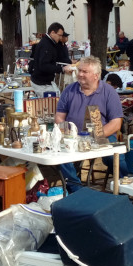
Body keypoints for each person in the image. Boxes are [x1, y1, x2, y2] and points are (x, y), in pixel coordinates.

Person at [55, 56, 124, 193]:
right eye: (79, 70)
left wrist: (95, 136)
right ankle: (77, 191)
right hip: (73, 136)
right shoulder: (70, 90)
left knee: (116, 157)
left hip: (102, 135)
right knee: (60, 155)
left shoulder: (109, 92)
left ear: (96, 75)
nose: (80, 74)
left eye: (85, 72)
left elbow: (116, 123)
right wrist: (68, 133)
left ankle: (126, 188)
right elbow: (59, 117)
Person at [30, 22, 73, 96]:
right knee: (53, 103)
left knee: (57, 98)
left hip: (46, 82)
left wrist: (69, 62)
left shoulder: (50, 43)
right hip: (41, 84)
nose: (60, 38)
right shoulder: (46, 45)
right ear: (52, 33)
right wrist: (62, 69)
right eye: (59, 35)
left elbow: (56, 58)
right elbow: (44, 66)